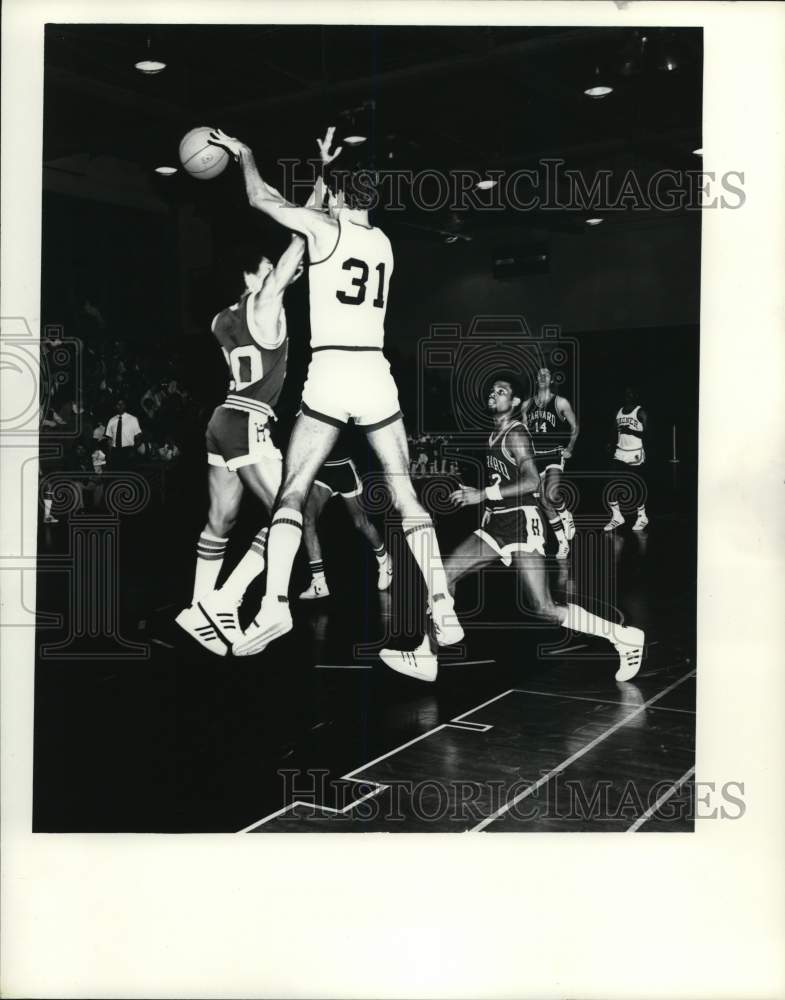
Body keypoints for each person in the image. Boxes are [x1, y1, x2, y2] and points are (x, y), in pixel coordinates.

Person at [207, 125, 462, 657]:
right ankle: (442, 603)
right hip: (376, 372)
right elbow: (335, 210)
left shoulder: (325, 231)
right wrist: (327, 174)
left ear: (340, 194)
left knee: (292, 491)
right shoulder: (384, 244)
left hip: (331, 372)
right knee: (405, 492)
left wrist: (246, 154)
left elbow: (260, 197)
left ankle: (274, 603)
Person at [379, 375, 644, 683]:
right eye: (492, 390)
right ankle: (427, 655)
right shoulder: (494, 434)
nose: (494, 394)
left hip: (521, 523)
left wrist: (482, 494)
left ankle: (623, 637)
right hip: (495, 524)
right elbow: (505, 481)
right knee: (440, 576)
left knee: (543, 607)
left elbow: (533, 481)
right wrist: (478, 490)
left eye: (501, 391)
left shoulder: (516, 434)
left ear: (515, 402)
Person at [174, 234, 307, 655]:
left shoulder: (220, 319)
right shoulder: (263, 305)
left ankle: (198, 609)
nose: (275, 277)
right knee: (288, 516)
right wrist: (318, 201)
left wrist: (286, 270)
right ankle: (227, 596)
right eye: (267, 272)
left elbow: (286, 272)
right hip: (249, 420)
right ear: (250, 279)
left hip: (222, 419)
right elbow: (295, 251)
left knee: (220, 523)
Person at [299, 441, 392, 599]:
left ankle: (385, 560)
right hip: (321, 470)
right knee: (308, 519)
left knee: (361, 523)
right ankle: (319, 582)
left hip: (343, 469)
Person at [522, 367, 579, 559]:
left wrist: (570, 447)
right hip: (535, 457)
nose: (543, 377)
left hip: (554, 453)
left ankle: (565, 514)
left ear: (551, 379)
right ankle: (563, 542)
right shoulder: (526, 405)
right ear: (536, 379)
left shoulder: (560, 402)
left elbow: (575, 426)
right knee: (544, 501)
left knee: (552, 494)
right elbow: (523, 433)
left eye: (546, 374)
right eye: (539, 374)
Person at [604, 386, 649, 532]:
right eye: (626, 393)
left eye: (631, 393)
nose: (628, 395)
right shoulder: (618, 412)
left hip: (635, 453)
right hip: (620, 452)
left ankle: (642, 516)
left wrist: (631, 431)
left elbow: (649, 435)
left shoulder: (640, 412)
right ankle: (617, 516)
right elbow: (613, 430)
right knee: (610, 484)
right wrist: (610, 443)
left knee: (635, 486)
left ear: (636, 395)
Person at [104, 399, 142, 469]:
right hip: (115, 451)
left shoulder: (133, 419)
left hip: (128, 451)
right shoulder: (111, 420)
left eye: (122, 404)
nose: (120, 406)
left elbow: (138, 437)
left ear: (125, 406)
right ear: (115, 406)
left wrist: (134, 450)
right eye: (118, 404)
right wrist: (109, 454)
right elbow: (109, 439)